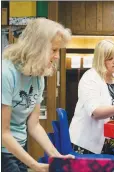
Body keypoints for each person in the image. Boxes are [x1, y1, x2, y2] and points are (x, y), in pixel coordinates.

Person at [2, 18, 74, 172]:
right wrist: (34, 165)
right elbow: (4, 132)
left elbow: (33, 125)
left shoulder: (38, 76)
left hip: (18, 147)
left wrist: (57, 156)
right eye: (54, 50)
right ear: (37, 48)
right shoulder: (6, 74)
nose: (57, 57)